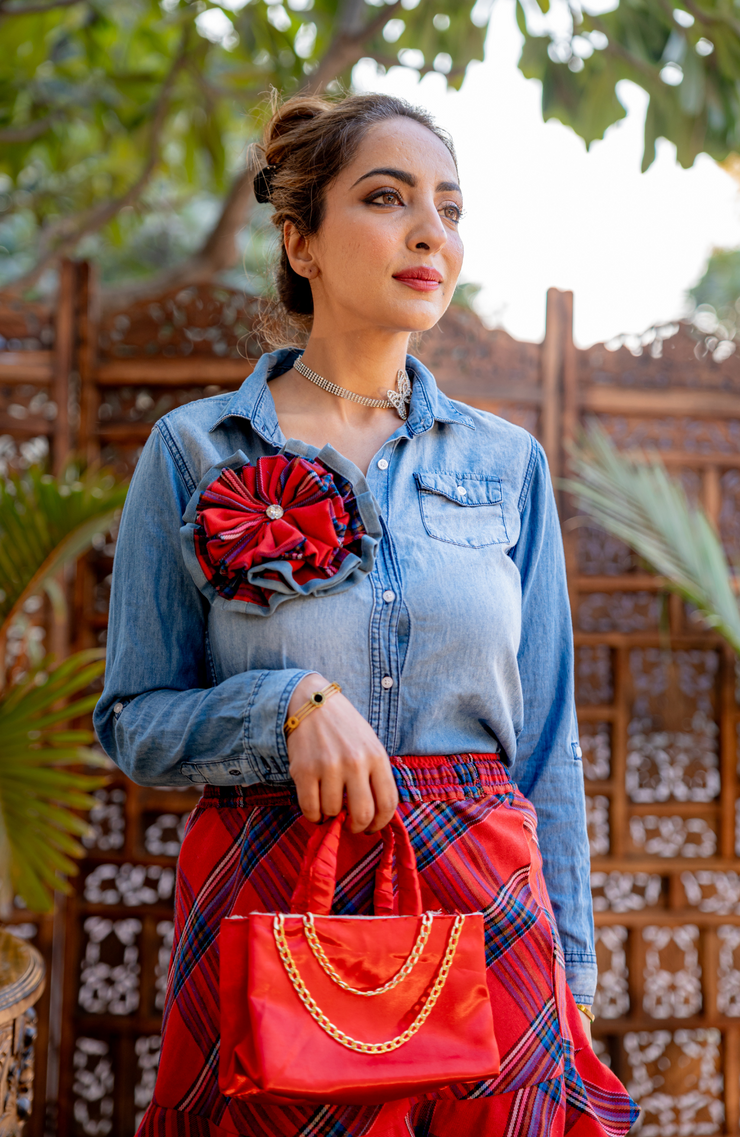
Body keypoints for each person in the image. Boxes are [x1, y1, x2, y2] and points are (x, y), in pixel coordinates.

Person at [94, 91, 638, 1137]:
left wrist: (566, 967)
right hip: (274, 890)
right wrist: (281, 706)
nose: (430, 231)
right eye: (387, 199)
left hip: (486, 907)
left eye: (448, 206)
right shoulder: (195, 451)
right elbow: (135, 722)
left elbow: (546, 748)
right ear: (297, 239)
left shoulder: (505, 463)